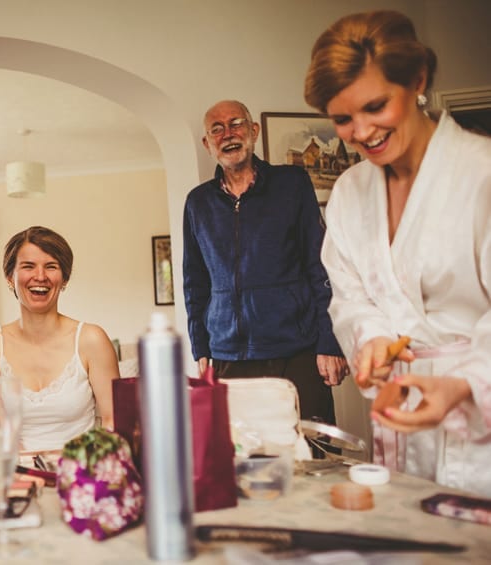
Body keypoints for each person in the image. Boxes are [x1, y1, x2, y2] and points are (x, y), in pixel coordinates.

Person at [305, 10, 491, 494]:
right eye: (342, 119)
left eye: (376, 107)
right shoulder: (348, 191)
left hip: (477, 407)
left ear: (418, 80)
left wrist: (463, 385)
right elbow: (349, 297)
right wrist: (370, 341)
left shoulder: (482, 175)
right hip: (398, 415)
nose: (362, 131)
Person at [182, 100, 348, 425]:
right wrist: (201, 348)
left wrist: (331, 341)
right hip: (228, 355)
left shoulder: (292, 183)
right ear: (207, 143)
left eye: (236, 124)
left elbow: (322, 265)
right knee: (244, 460)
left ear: (253, 131)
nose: (228, 134)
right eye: (217, 129)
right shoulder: (197, 203)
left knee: (313, 456)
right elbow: (195, 282)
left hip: (298, 350)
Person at [0, 226, 119, 453]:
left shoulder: (92, 339)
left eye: (51, 266)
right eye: (28, 266)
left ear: (64, 279)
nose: (40, 276)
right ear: (10, 278)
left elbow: (113, 423)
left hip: (81, 472)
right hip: (19, 474)